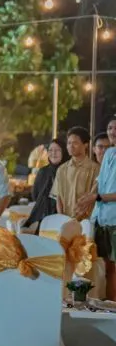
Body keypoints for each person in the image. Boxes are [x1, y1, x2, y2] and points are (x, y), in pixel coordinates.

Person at [88, 117, 116, 300]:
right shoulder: (109, 153)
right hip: (101, 218)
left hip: (114, 220)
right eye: (110, 127)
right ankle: (109, 306)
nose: (112, 131)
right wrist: (87, 198)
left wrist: (97, 197)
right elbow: (100, 181)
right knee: (106, 267)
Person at [54, 126, 99, 221]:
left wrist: (76, 220)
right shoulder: (61, 169)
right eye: (69, 143)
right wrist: (61, 218)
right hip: (64, 220)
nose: (71, 146)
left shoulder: (95, 169)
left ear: (85, 145)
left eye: (75, 143)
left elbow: (92, 199)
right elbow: (58, 198)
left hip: (86, 221)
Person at [23, 138, 64, 231]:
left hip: (63, 217)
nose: (53, 153)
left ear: (64, 151)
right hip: (43, 218)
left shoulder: (67, 171)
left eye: (57, 150)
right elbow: (35, 195)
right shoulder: (43, 171)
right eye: (50, 150)